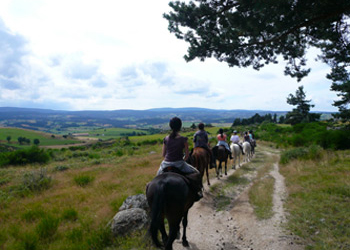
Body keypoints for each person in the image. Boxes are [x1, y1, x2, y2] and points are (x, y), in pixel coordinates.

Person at [157, 117, 203, 201]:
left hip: (165, 164)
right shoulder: (183, 139)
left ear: (170, 126)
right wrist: (183, 160)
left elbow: (163, 154)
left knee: (156, 179)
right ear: (180, 126)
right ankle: (198, 192)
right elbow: (187, 156)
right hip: (179, 163)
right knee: (197, 172)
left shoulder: (166, 139)